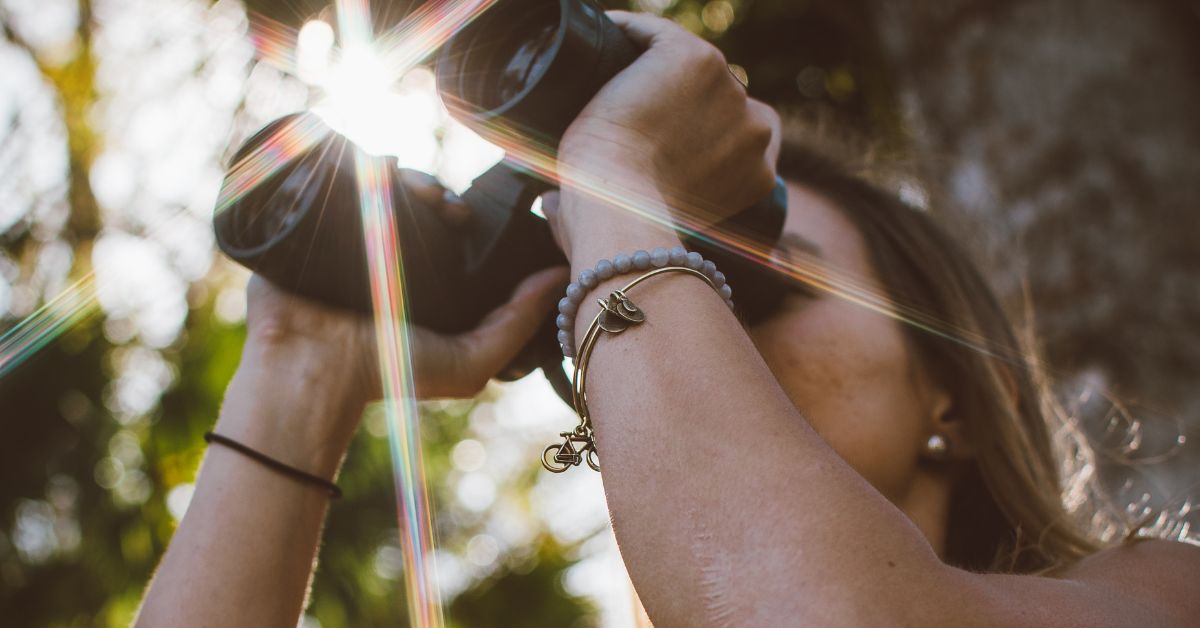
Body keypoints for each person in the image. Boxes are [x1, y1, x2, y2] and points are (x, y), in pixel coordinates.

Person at [136, 11, 1199, 627]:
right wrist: (298, 373)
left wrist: (615, 184)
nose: (702, 320)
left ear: (958, 395)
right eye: (628, 280)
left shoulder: (1161, 592)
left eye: (762, 277)